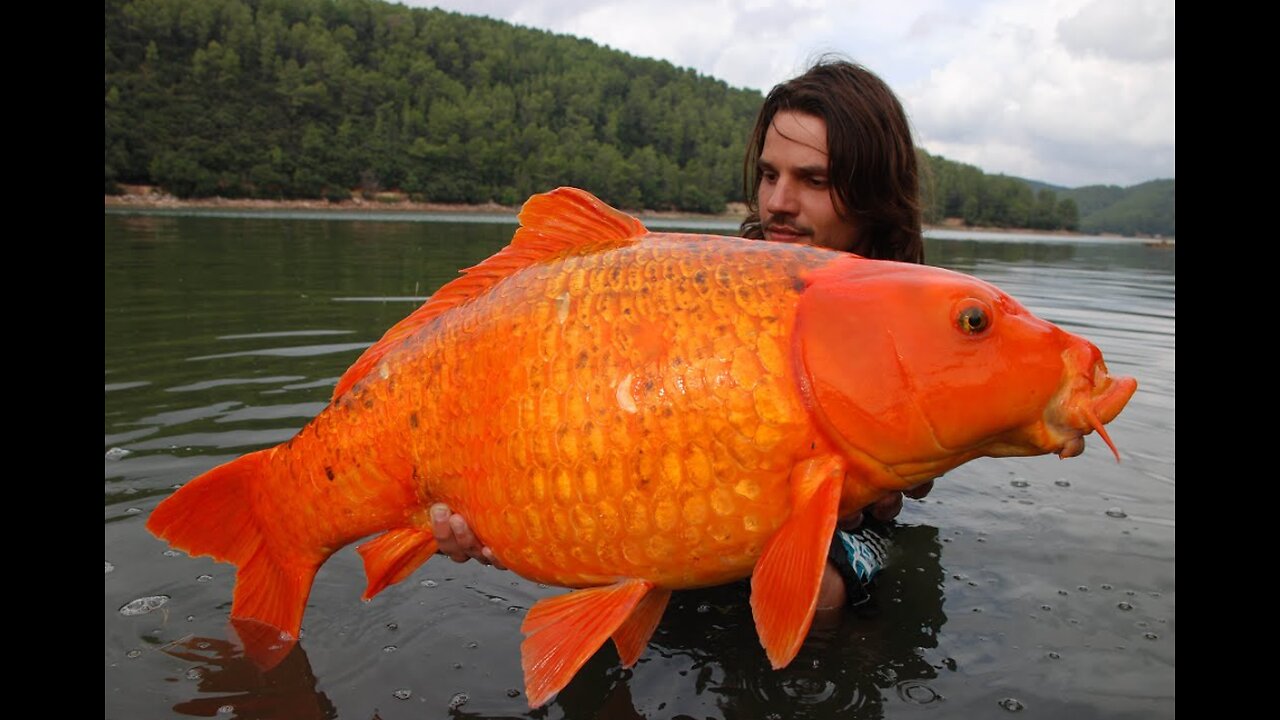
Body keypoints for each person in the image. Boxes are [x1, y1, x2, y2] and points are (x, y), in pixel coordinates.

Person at [429, 56, 934, 622]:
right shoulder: (711, 286)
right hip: (689, 521)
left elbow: (918, 470)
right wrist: (511, 513)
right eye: (769, 175)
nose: (778, 203)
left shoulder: (907, 314)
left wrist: (881, 486)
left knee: (816, 601)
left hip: (826, 542)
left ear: (873, 194)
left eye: (812, 180)